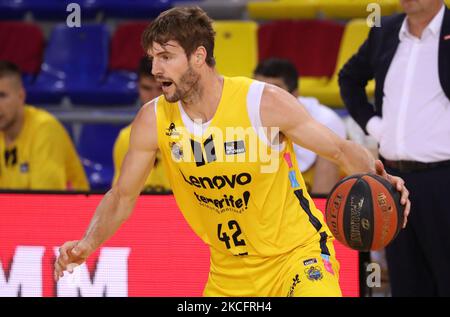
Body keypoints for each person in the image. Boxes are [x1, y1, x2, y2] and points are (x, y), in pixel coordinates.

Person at [54, 6, 410, 297]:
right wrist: (88, 243)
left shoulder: (262, 102)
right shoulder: (153, 119)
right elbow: (121, 196)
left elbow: (340, 150)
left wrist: (382, 178)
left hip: (297, 257)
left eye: (166, 57)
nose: (155, 69)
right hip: (230, 273)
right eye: (152, 58)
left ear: (198, 56)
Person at [339, 0, 450, 296]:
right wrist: (374, 125)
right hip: (393, 182)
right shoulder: (384, 30)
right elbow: (349, 79)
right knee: (406, 283)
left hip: (443, 180)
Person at [254, 58, 346, 195]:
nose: (265, 99)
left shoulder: (326, 120)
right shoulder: (246, 112)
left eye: (273, 92)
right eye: (259, 89)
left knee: (330, 154)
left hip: (316, 192)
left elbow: (323, 193)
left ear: (294, 95)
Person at [0, 61, 89, 191]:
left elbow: (44, 203)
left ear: (21, 96)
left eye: (2, 96)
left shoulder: (45, 130)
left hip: (71, 210)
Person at [113, 56, 170, 192]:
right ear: (138, 87)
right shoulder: (125, 137)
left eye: (160, 88)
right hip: (142, 211)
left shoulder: (191, 133)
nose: (154, 96)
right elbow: (120, 192)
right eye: (147, 88)